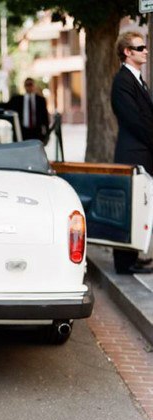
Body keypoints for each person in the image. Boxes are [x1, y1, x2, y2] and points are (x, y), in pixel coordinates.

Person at [111, 31, 153, 274]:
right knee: (132, 207)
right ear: (127, 52)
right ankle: (125, 264)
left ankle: (132, 258)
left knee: (140, 207)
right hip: (133, 153)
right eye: (140, 47)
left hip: (142, 153)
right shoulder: (123, 81)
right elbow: (135, 121)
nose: (145, 50)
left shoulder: (137, 80)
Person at [8, 78, 49, 143]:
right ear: (24, 86)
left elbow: (45, 117)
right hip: (23, 132)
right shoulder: (17, 100)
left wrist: (47, 134)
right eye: (27, 85)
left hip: (36, 132)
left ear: (34, 86)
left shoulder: (40, 100)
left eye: (30, 84)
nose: (29, 87)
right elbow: (6, 106)